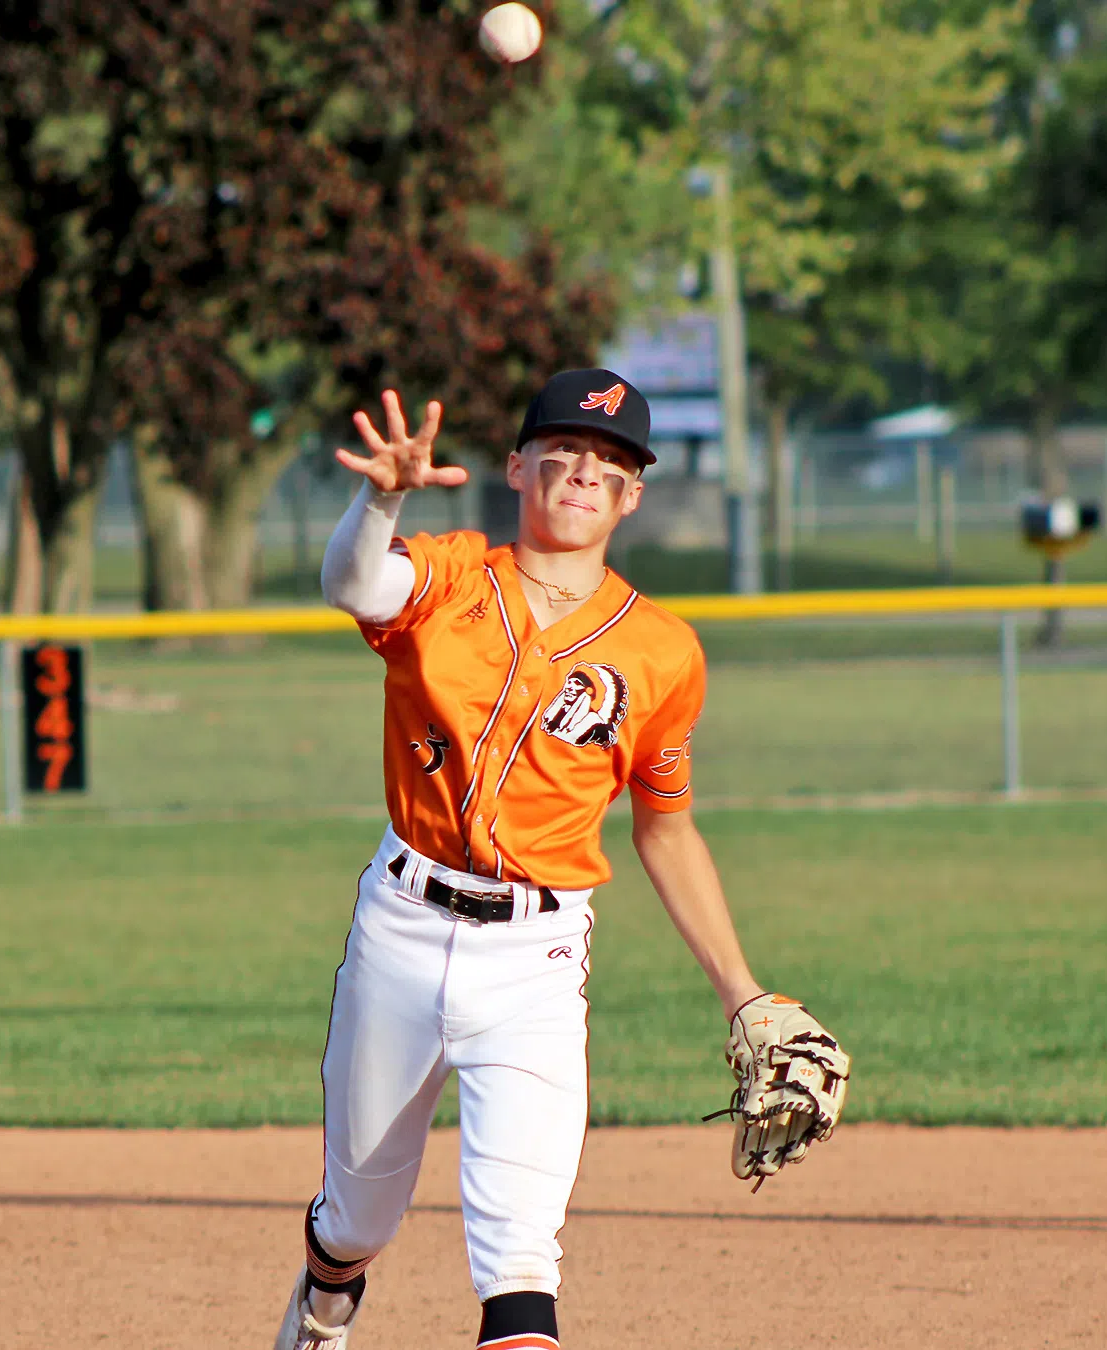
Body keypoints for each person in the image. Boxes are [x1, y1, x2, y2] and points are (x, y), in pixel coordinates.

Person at [274, 371, 843, 1350]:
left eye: (611, 463)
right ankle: (327, 1298)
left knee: (521, 1260)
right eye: (564, 452)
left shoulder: (663, 655)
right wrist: (382, 499)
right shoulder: (451, 577)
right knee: (357, 1220)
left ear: (633, 495)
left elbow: (665, 826)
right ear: (519, 469)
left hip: (535, 963)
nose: (584, 472)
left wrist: (742, 992)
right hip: (401, 930)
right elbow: (355, 584)